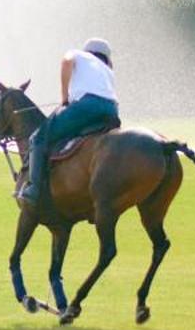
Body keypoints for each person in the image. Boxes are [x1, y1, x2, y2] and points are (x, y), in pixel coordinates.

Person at [17, 38, 122, 206]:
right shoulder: (108, 70)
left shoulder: (78, 54)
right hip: (112, 110)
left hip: (87, 106)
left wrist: (64, 97)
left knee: (37, 138)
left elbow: (66, 62)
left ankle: (33, 189)